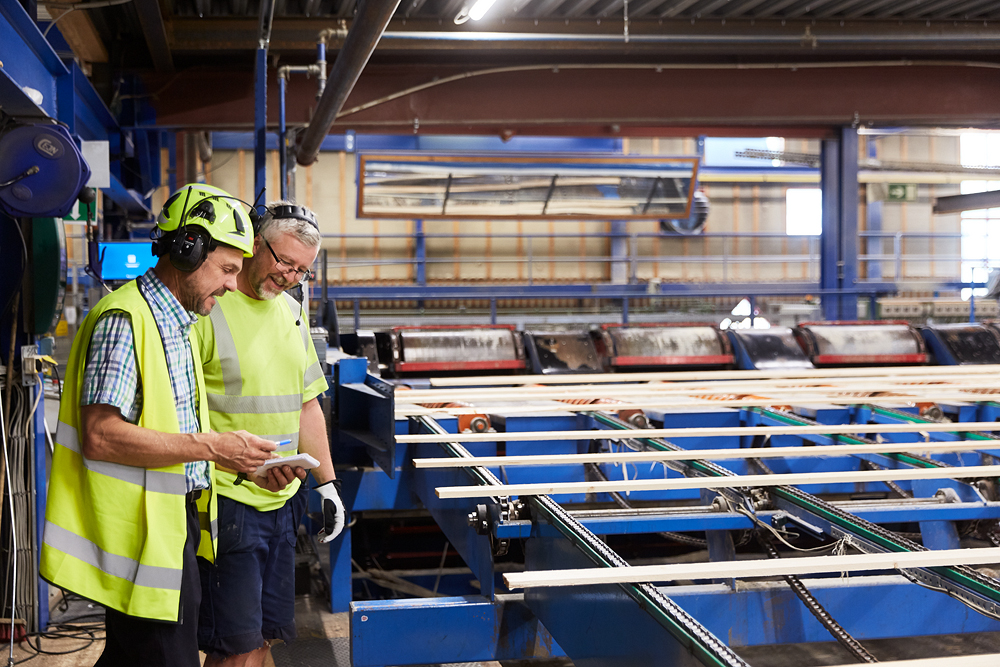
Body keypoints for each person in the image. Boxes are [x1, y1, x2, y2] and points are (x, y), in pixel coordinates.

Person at [40, 183, 279, 667]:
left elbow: (174, 432)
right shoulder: (124, 320)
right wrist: (213, 447)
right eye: (228, 269)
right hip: (139, 540)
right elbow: (101, 436)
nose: (234, 284)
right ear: (187, 252)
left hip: (173, 529)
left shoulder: (180, 324)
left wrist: (241, 464)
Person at [192, 201, 345, 667]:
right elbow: (178, 412)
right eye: (284, 262)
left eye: (302, 271)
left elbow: (307, 402)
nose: (290, 278)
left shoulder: (291, 312)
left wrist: (329, 484)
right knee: (233, 648)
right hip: (226, 503)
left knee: (264, 641)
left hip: (282, 503)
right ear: (256, 243)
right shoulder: (209, 307)